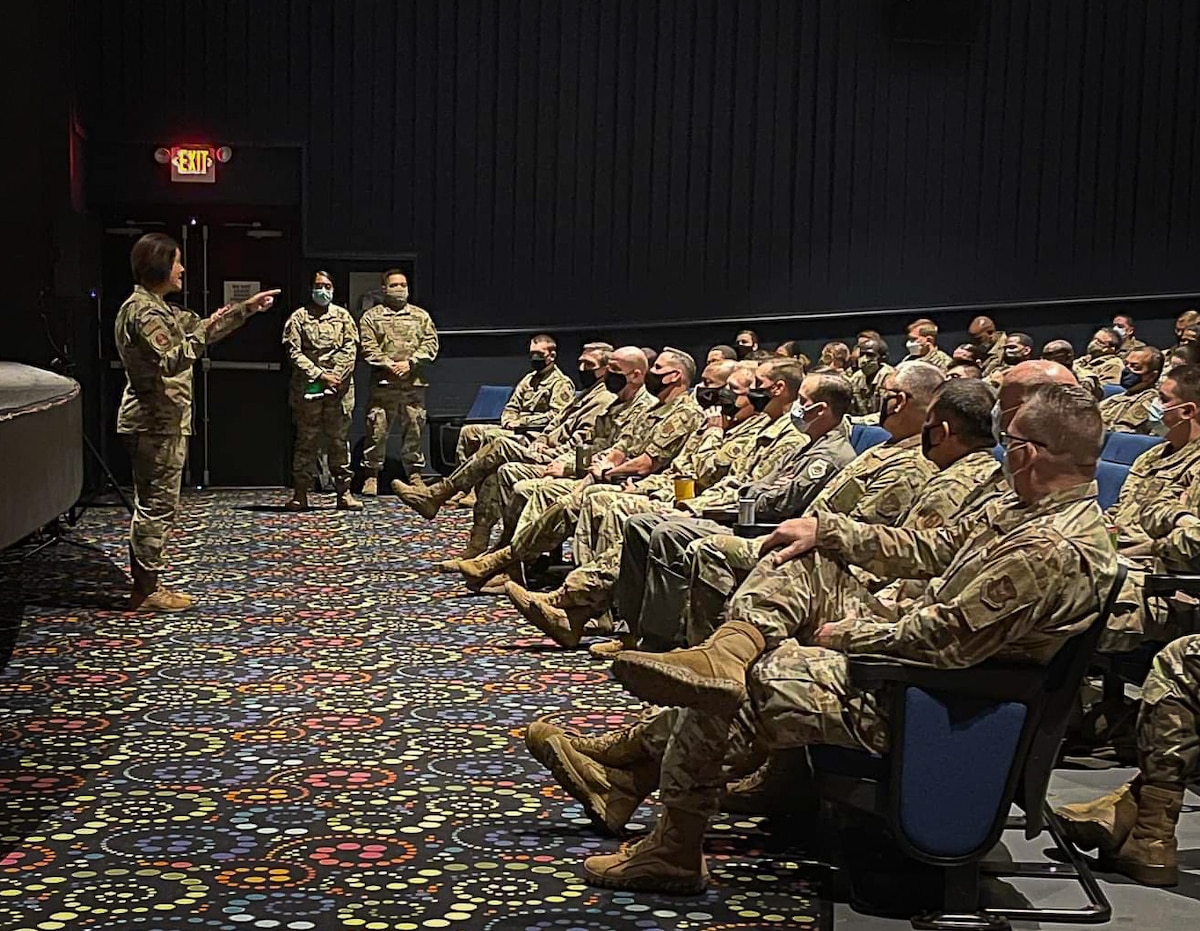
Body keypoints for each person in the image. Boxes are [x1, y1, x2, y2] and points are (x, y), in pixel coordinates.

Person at [544, 384, 1115, 892]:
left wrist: (846, 636)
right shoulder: (1022, 509)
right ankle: (724, 654)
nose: (1000, 448)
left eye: (1008, 438)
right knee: (801, 555)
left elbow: (943, 643)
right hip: (920, 663)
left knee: (752, 681)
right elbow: (930, 549)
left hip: (935, 699)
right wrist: (828, 529)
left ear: (1028, 451)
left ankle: (664, 828)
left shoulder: (1049, 549)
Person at [503, 360, 806, 649]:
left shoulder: (779, 435)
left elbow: (723, 481)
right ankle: (584, 611)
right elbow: (697, 471)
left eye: (742, 388)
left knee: (627, 513)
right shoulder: (750, 426)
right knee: (612, 506)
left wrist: (688, 505)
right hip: (692, 500)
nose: (720, 395)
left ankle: (572, 599)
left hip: (725, 516)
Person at [115, 233, 279, 611]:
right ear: (158, 265)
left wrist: (245, 310)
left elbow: (202, 327)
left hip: (164, 420)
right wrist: (204, 331)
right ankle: (145, 591)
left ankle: (148, 582)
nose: (183, 269)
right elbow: (171, 357)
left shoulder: (161, 308)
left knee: (159, 504)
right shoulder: (144, 311)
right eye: (176, 262)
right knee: (156, 506)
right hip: (153, 422)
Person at [457, 348, 703, 589]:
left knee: (567, 499)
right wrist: (605, 463)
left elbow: (645, 464)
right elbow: (620, 446)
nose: (653, 371)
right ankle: (509, 561)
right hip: (605, 474)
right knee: (532, 486)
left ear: (675, 376)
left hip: (639, 484)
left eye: (658, 368)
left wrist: (605, 471)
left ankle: (513, 562)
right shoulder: (652, 408)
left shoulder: (683, 413)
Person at [416, 343, 618, 560]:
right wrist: (541, 438)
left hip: (558, 457)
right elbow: (554, 423)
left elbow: (581, 442)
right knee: (496, 468)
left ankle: (441, 495)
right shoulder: (582, 394)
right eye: (580, 362)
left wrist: (550, 449)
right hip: (541, 445)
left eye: (588, 364)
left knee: (500, 445)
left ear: (604, 369)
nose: (581, 367)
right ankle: (479, 542)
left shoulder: (602, 399)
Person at [282, 271, 361, 511]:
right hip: (310, 388)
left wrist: (335, 376)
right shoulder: (299, 318)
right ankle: (301, 494)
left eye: (327, 285)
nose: (323, 290)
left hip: (339, 389)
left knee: (339, 442)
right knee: (307, 441)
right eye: (318, 285)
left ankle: (344, 493)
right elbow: (294, 352)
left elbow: (351, 348)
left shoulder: (343, 317)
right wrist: (320, 375)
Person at [358, 269, 439, 494]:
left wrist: (410, 363)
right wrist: (388, 364)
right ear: (384, 289)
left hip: (413, 385)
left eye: (403, 285)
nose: (400, 289)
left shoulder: (421, 316)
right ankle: (371, 476)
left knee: (414, 429)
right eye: (394, 285)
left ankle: (414, 475)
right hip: (384, 385)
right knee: (377, 429)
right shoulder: (371, 317)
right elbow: (367, 346)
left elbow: (431, 345)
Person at [454, 333, 576, 467]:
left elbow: (557, 416)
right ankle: (463, 478)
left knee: (491, 436)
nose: (535, 358)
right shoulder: (528, 379)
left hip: (535, 433)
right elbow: (512, 406)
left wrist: (521, 422)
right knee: (468, 432)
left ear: (551, 356)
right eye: (532, 354)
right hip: (514, 428)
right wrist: (508, 419)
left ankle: (480, 479)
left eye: (539, 354)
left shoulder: (561, 383)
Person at [1098, 347, 1164, 434]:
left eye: (1135, 366)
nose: (1126, 370)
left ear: (1152, 375)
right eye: (1126, 364)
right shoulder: (1122, 395)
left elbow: (1123, 431)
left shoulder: (1149, 401)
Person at [846, 337, 893, 418]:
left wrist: (858, 421)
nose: (864, 360)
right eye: (861, 355)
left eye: (870, 355)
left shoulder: (890, 377)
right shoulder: (856, 378)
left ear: (882, 357)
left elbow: (887, 414)